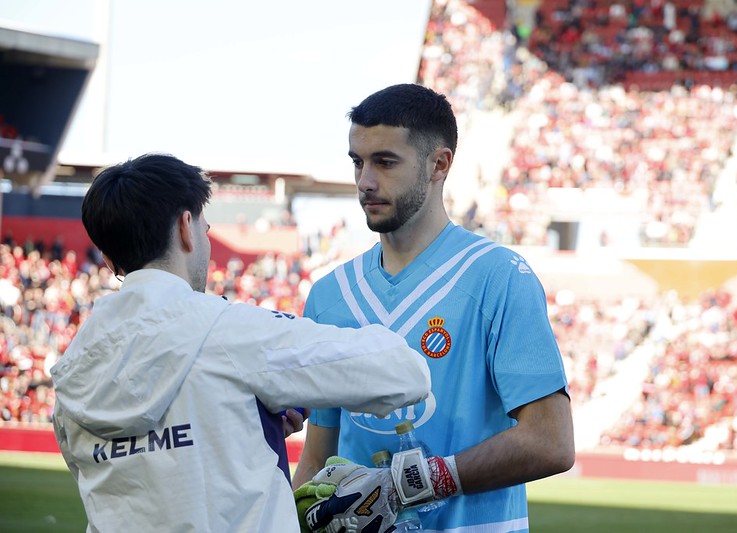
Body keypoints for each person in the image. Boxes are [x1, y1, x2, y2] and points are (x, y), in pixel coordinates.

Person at [50, 153, 432, 532]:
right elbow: (404, 374)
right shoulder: (231, 331)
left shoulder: (73, 368)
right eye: (205, 227)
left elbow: (153, 471)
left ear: (107, 258)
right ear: (186, 227)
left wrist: (239, 423)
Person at [292, 84, 574, 532]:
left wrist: (414, 482)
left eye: (385, 162)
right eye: (358, 162)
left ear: (438, 164)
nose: (365, 181)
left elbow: (550, 442)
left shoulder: (499, 276)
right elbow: (318, 454)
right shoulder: (329, 295)